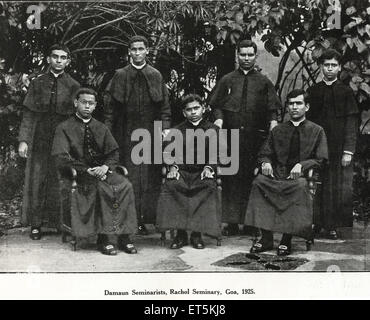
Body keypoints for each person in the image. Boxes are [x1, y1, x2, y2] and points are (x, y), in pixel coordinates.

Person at [51, 88, 138, 255]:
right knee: (102, 189)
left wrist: (106, 167)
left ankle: (124, 236)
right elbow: (60, 157)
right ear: (76, 103)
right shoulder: (64, 128)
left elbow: (113, 152)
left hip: (103, 171)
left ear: (95, 106)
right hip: (79, 174)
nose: (87, 107)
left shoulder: (101, 127)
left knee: (125, 185)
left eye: (91, 104)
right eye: (84, 102)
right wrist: (86, 170)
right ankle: (104, 238)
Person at [209, 39, 281, 236]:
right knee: (232, 178)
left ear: (255, 56)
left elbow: (272, 108)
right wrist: (219, 120)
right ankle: (231, 223)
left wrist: (273, 122)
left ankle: (250, 223)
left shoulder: (264, 82)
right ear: (237, 56)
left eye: (250, 55)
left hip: (255, 138)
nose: (246, 58)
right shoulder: (227, 80)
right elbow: (216, 105)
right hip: (231, 136)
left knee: (252, 178)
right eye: (243, 55)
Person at [245, 89, 328, 256]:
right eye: (291, 104)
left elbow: (322, 159)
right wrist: (266, 163)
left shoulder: (317, 130)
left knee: (299, 187)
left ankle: (286, 239)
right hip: (277, 174)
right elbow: (264, 153)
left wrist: (302, 165)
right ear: (287, 107)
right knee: (259, 182)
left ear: (307, 107)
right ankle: (266, 237)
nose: (294, 107)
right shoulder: (278, 130)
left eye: (299, 103)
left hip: (299, 178)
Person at [105, 35, 171, 235]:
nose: (137, 53)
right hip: (125, 134)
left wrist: (165, 129)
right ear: (129, 52)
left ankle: (144, 220)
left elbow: (165, 107)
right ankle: (127, 221)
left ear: (147, 51)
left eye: (141, 49)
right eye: (133, 49)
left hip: (150, 135)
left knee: (149, 178)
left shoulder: (156, 75)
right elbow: (110, 109)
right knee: (129, 176)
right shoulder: (120, 75)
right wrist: (108, 134)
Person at [18, 44, 80, 240]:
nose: (59, 61)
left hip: (63, 140)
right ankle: (36, 225)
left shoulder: (74, 85)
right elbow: (28, 114)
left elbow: (77, 118)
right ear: (48, 59)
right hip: (40, 138)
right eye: (55, 57)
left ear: (68, 61)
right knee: (38, 180)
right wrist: (24, 140)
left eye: (63, 58)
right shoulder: (37, 84)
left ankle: (61, 224)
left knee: (62, 180)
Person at [156, 94, 222, 249]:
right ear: (184, 113)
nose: (193, 112)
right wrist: (173, 168)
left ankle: (196, 234)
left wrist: (209, 168)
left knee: (207, 186)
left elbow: (216, 153)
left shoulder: (213, 129)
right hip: (183, 171)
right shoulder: (177, 130)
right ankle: (180, 234)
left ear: (203, 109)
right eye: (189, 110)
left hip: (202, 172)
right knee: (172, 185)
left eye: (196, 108)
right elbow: (169, 154)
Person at [307, 49, 359, 239]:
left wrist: (348, 150)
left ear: (339, 68)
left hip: (338, 148)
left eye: (333, 65)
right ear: (321, 67)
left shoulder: (346, 92)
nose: (329, 69)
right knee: (315, 184)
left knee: (334, 186)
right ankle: (316, 222)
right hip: (316, 146)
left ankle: (332, 225)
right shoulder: (313, 91)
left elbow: (351, 123)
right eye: (326, 65)